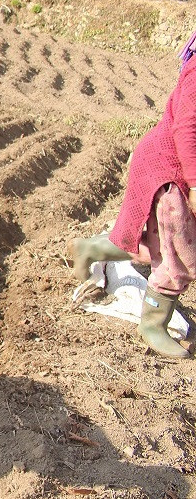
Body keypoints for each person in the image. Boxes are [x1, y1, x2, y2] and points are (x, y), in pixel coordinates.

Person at [70, 43, 196, 359]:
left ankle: (90, 248)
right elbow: (187, 129)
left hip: (170, 165)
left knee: (155, 242)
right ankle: (153, 324)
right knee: (181, 252)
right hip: (171, 170)